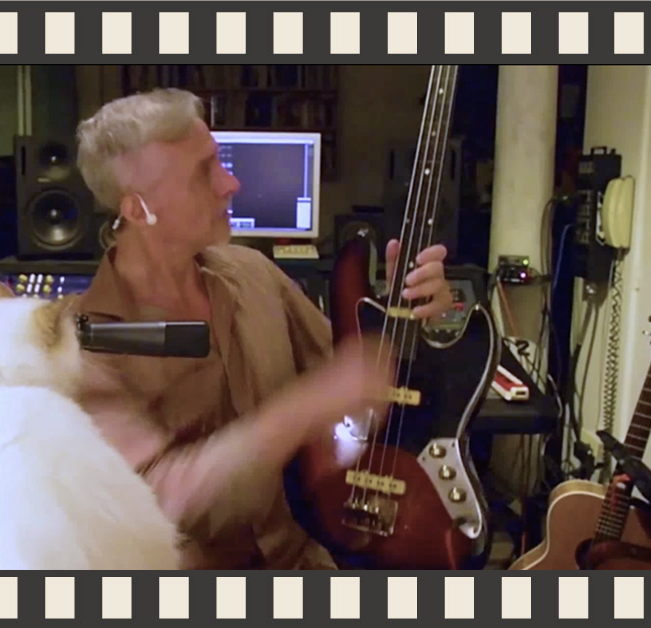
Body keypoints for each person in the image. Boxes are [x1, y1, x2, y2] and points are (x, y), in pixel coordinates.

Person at [70, 88, 455, 569]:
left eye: (219, 161)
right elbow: (157, 497)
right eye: (203, 173)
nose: (231, 183)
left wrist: (410, 318)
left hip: (308, 559)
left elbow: (364, 381)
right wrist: (299, 411)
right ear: (138, 210)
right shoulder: (81, 349)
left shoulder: (253, 272)